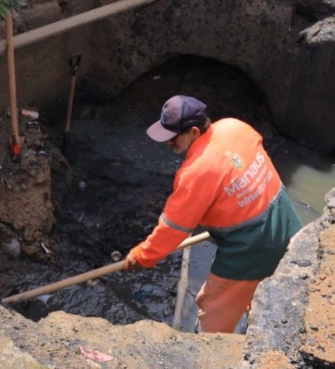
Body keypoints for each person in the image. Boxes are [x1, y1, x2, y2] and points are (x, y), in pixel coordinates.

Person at [123, 95, 302, 333]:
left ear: (194, 132)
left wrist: (142, 256)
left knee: (212, 310)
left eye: (173, 137)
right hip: (287, 224)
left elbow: (173, 229)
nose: (168, 143)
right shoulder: (234, 126)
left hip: (250, 247)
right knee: (269, 295)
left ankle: (212, 352)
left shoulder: (196, 173)